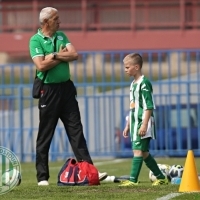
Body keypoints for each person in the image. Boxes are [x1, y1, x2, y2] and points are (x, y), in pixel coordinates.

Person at [29, 7, 107, 186]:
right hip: (48, 91)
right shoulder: (35, 40)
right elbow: (41, 66)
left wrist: (54, 55)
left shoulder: (62, 35)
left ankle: (89, 171)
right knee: (45, 133)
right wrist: (62, 55)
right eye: (56, 19)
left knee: (76, 131)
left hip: (66, 89)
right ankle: (42, 177)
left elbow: (74, 54)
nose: (59, 22)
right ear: (46, 21)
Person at [119, 53, 168, 186]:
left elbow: (149, 105)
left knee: (138, 151)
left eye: (127, 67)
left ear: (136, 67)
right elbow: (133, 106)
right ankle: (161, 177)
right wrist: (128, 124)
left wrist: (144, 124)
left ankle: (133, 180)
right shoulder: (132, 84)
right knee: (144, 153)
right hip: (135, 122)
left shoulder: (144, 83)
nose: (125, 69)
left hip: (142, 122)